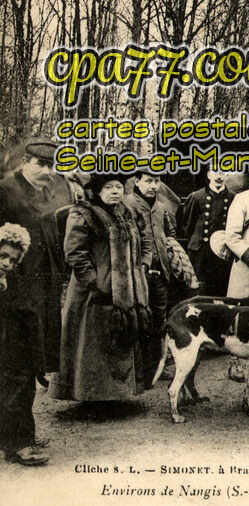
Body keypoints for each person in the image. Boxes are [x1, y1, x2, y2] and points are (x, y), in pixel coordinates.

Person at [50, 173, 151, 401]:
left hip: (127, 290)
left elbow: (145, 240)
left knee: (121, 338)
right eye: (109, 187)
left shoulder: (128, 213)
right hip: (93, 295)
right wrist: (94, 281)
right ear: (97, 191)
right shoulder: (83, 213)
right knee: (93, 344)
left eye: (118, 187)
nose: (115, 191)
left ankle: (119, 393)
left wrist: (143, 265)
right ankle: (94, 397)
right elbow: (75, 252)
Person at [0, 138, 81, 374]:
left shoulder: (52, 192)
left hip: (45, 283)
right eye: (40, 164)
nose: (47, 171)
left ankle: (25, 407)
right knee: (13, 353)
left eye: (51, 165)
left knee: (35, 352)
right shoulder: (6, 190)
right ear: (25, 162)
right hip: (14, 283)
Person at [0, 223, 50, 466]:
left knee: (20, 394)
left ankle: (19, 442)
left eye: (13, 260)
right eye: (2, 256)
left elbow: (29, 316)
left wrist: (37, 360)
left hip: (14, 349)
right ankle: (16, 443)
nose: (7, 263)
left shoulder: (16, 283)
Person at [124, 171, 177, 384]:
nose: (153, 186)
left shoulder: (161, 206)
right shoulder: (127, 205)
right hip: (137, 273)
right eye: (148, 181)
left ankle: (156, 366)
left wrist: (171, 257)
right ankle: (138, 370)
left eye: (157, 181)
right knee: (139, 320)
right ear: (137, 182)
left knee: (159, 319)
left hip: (160, 272)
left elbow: (170, 234)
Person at [177, 167, 233, 297]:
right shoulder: (197, 196)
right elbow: (187, 225)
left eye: (222, 173)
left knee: (220, 289)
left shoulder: (232, 198)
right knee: (198, 290)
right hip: (200, 253)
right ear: (208, 175)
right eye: (215, 172)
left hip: (222, 252)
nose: (219, 176)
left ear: (227, 176)